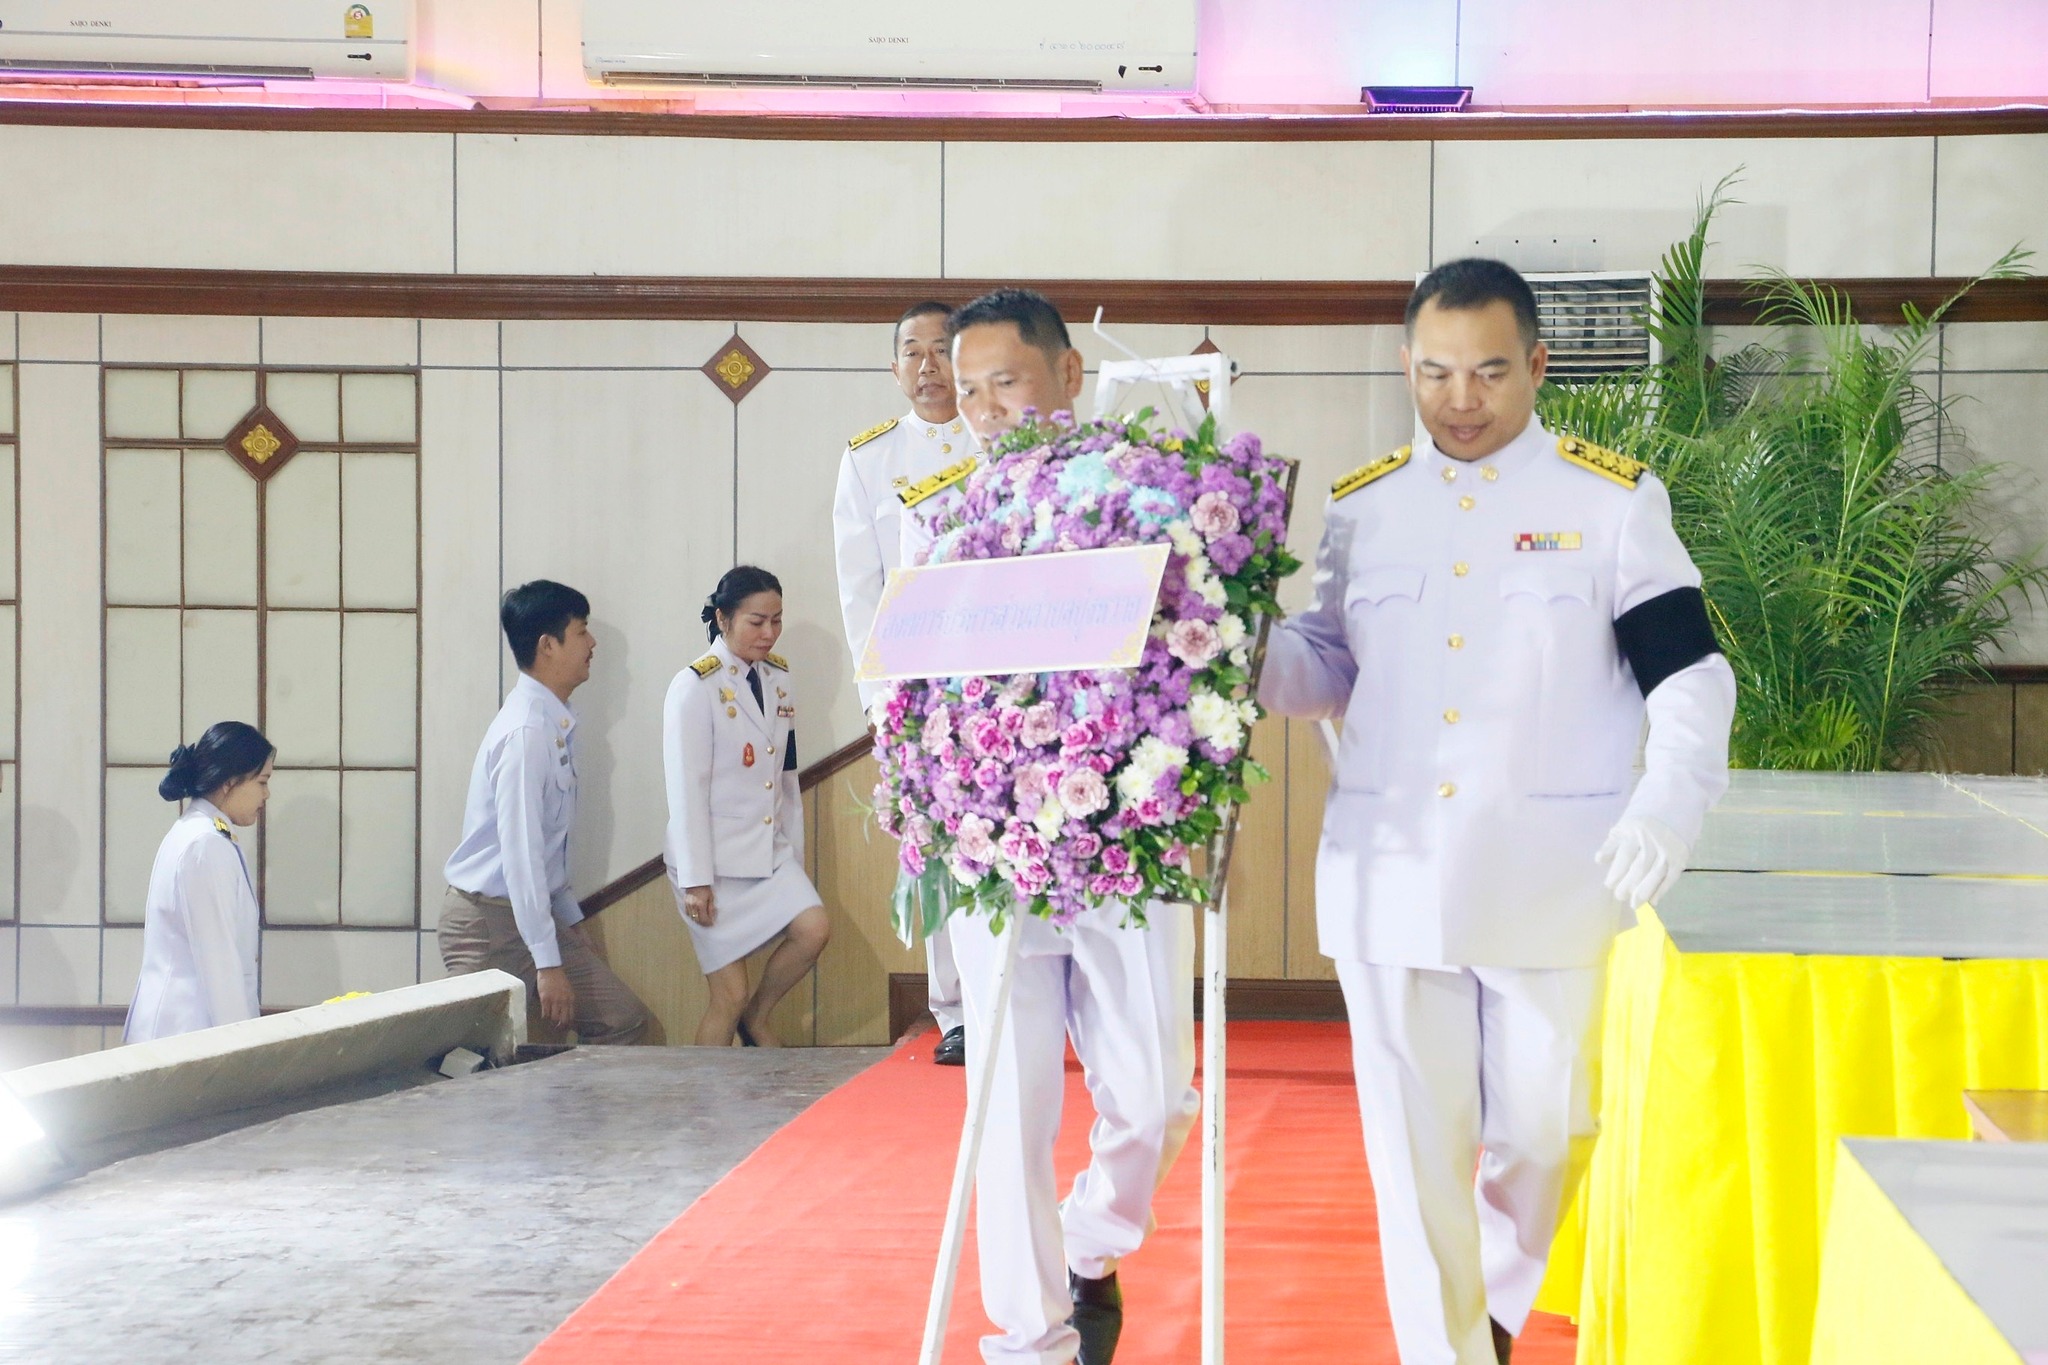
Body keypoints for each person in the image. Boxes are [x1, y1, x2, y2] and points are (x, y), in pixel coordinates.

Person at [1259, 258, 1735, 1365]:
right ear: (1405, 367)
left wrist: (1668, 804)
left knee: (1546, 1140)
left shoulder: (1608, 501)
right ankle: (1452, 1349)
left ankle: (1496, 1309)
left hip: (1551, 881)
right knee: (1414, 1159)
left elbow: (1688, 674)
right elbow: (1325, 669)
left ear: (1537, 364)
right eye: (1435, 373)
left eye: (1486, 372)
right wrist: (1230, 636)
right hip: (1390, 880)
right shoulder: (1364, 505)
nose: (1460, 400)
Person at [942, 289, 1201, 1365]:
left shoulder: (1147, 498)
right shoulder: (939, 515)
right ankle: (1031, 1335)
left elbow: (1198, 648)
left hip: (1120, 840)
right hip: (993, 847)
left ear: (1066, 375)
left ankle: (1091, 1240)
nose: (984, 410)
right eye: (967, 390)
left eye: (1004, 381)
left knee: (1156, 1097)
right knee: (1007, 1109)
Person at [832, 299, 972, 1066]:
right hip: (917, 693)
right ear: (894, 368)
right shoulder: (870, 460)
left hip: (999, 687)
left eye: (942, 348)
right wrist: (879, 700)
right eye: (912, 351)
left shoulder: (999, 441)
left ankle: (1020, 998)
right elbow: (860, 590)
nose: (928, 365)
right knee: (936, 847)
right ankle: (955, 1010)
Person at [441, 580, 650, 1045]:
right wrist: (549, 962)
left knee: (622, 1019)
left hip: (529, 916)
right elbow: (521, 856)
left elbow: (549, 847)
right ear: (548, 646)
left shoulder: (553, 723)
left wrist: (569, 923)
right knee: (474, 1062)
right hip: (486, 923)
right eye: (581, 631)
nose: (592, 643)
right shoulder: (526, 733)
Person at [662, 565, 832, 1048]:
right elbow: (686, 790)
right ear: (723, 618)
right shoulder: (694, 686)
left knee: (814, 929)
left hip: (766, 849)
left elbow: (785, 776)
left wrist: (792, 855)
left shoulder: (778, 678)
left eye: (776, 620)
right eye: (757, 621)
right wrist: (696, 879)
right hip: (712, 861)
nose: (769, 632)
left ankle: (757, 1018)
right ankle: (708, 1091)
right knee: (728, 995)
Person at [123, 722, 274, 1044]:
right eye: (262, 781)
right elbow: (219, 963)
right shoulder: (205, 844)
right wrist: (243, 1047)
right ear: (230, 781)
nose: (266, 794)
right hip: (186, 1030)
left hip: (184, 1028)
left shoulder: (202, 832)